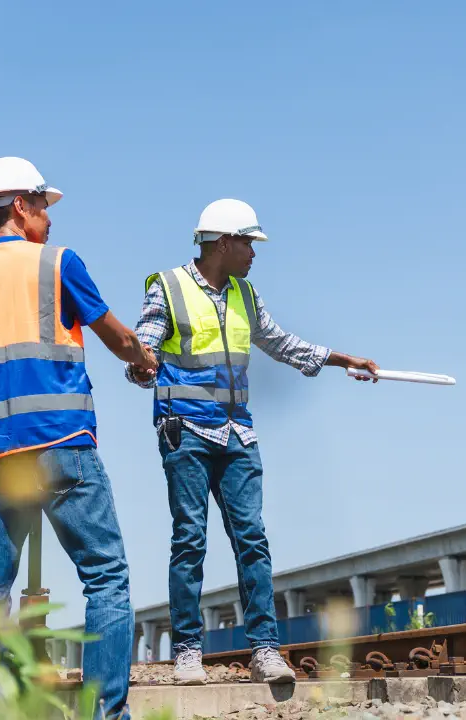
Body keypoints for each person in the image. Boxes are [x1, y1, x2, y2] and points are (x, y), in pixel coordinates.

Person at [0, 157, 157, 718]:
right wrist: (145, 360)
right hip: (61, 447)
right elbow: (116, 337)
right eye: (44, 207)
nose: (50, 220)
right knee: (105, 576)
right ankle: (107, 714)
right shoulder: (57, 263)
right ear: (22, 206)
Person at [126, 198, 379, 685]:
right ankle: (187, 652)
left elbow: (282, 343)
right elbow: (145, 344)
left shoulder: (245, 294)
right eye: (248, 242)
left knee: (252, 540)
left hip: (238, 432)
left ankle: (265, 650)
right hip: (186, 429)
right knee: (189, 540)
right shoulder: (169, 287)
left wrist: (343, 359)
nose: (254, 252)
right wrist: (141, 366)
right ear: (223, 242)